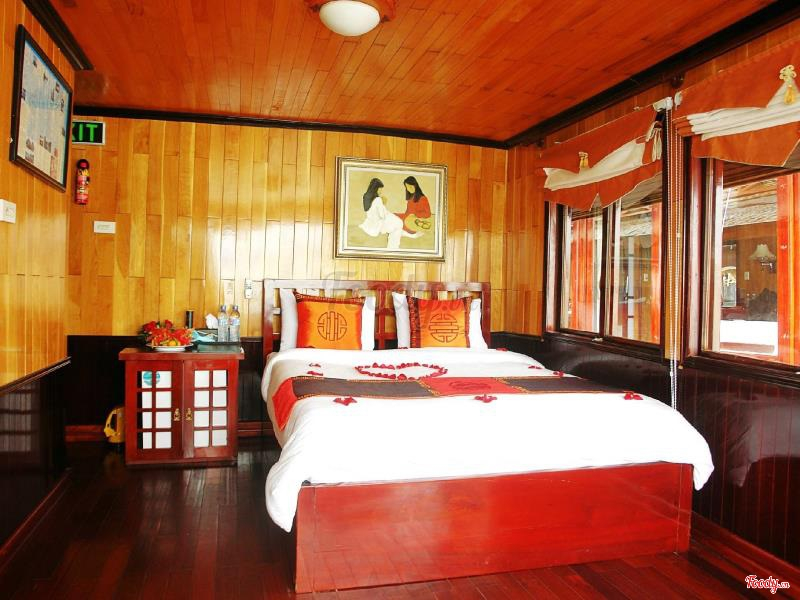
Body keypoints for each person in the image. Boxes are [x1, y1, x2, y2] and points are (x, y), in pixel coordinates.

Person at [358, 178, 418, 249]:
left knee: (397, 224)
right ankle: (393, 247)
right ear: (376, 189)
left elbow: (373, 212)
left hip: (371, 222)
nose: (381, 191)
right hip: (379, 224)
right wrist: (384, 205)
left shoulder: (366, 196)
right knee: (399, 223)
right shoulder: (377, 199)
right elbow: (382, 215)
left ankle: (407, 236)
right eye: (380, 189)